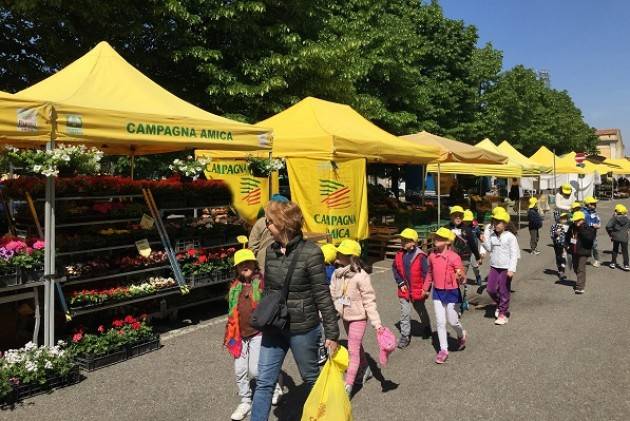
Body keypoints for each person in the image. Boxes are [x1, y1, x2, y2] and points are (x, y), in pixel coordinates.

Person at [250, 200, 339, 421]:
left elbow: (321, 294)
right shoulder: (270, 251)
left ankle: (320, 417)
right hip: (275, 325)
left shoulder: (311, 253)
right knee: (264, 382)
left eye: (269, 221)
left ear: (283, 223)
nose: (266, 225)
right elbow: (269, 290)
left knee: (311, 379)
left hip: (302, 327)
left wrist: (332, 332)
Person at [224, 249, 280, 421]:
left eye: (248, 262)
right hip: (238, 334)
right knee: (240, 370)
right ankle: (245, 400)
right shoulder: (235, 286)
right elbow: (232, 312)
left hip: (258, 333)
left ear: (255, 264)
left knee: (255, 371)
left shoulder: (261, 283)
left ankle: (276, 381)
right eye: (241, 264)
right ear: (237, 268)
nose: (245, 266)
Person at [329, 239, 383, 395]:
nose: (337, 254)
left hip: (359, 318)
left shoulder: (361, 276)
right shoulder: (337, 274)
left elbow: (369, 301)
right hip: (345, 317)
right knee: (356, 346)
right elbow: (333, 293)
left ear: (350, 257)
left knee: (352, 350)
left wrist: (377, 324)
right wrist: (333, 309)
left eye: (341, 252)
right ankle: (366, 368)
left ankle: (348, 386)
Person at [424, 227, 467, 364]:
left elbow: (462, 277)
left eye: (440, 238)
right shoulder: (431, 256)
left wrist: (460, 276)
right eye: (436, 237)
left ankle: (461, 334)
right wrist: (425, 288)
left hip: (452, 292)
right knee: (440, 322)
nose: (436, 239)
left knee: (453, 321)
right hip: (437, 293)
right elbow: (429, 274)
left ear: (447, 242)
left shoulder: (454, 257)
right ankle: (443, 350)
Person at [392, 228, 431, 349]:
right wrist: (400, 282)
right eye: (402, 239)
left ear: (413, 242)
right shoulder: (399, 255)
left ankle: (426, 327)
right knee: (405, 313)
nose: (402, 242)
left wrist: (426, 289)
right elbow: (395, 269)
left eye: (406, 240)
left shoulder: (420, 256)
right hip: (404, 290)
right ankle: (405, 335)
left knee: (420, 309)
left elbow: (427, 274)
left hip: (418, 290)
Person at [482, 208, 519, 325]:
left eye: (499, 222)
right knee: (490, 289)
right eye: (495, 222)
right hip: (494, 266)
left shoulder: (510, 237)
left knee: (504, 290)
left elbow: (514, 254)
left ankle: (503, 313)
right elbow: (489, 248)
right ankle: (500, 304)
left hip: (506, 268)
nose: (496, 225)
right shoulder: (492, 235)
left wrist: (512, 269)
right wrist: (483, 241)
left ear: (505, 224)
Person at [448, 206, 481, 285]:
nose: (458, 218)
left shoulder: (467, 229)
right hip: (449, 259)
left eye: (460, 216)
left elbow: (472, 244)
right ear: (451, 217)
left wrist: (477, 257)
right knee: (450, 279)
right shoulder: (446, 228)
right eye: (455, 215)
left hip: (464, 258)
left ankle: (461, 295)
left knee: (460, 279)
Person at [565, 211, 596, 295]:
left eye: (577, 220)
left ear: (582, 220)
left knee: (580, 268)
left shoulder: (587, 227)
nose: (575, 222)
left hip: (584, 251)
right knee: (575, 267)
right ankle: (580, 279)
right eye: (574, 221)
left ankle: (580, 287)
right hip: (574, 251)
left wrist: (581, 228)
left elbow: (590, 238)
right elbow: (567, 236)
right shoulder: (572, 226)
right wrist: (567, 245)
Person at [606, 204, 629, 271]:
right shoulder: (627, 219)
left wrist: (610, 233)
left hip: (615, 236)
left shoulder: (614, 218)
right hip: (624, 237)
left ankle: (613, 263)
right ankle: (626, 265)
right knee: (625, 251)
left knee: (615, 249)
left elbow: (608, 226)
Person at [463, 210, 483, 285]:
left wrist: (481, 237)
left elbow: (479, 233)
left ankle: (478, 276)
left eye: (469, 220)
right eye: (465, 220)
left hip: (473, 249)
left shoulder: (475, 225)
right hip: (464, 250)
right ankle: (462, 280)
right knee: (463, 266)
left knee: (475, 266)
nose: (467, 222)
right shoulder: (461, 227)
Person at [550, 212, 570, 281]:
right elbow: (552, 235)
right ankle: (560, 269)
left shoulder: (567, 226)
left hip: (565, 244)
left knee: (563, 258)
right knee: (558, 258)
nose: (564, 220)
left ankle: (562, 271)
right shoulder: (554, 226)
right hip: (557, 245)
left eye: (565, 218)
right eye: (562, 218)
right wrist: (555, 233)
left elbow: (570, 235)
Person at [583, 196, 602, 267]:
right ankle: (582, 260)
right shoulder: (583, 213)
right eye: (593, 203)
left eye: (595, 203)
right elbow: (582, 223)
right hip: (585, 233)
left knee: (594, 246)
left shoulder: (593, 212)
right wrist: (592, 224)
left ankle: (597, 260)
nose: (595, 205)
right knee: (583, 246)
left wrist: (599, 223)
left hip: (593, 233)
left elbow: (597, 219)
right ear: (588, 204)